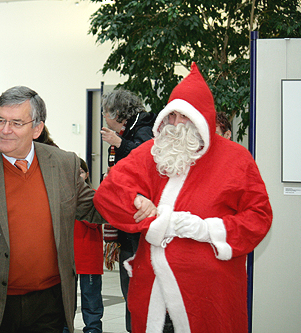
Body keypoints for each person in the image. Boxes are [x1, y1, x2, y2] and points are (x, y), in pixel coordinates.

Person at [93, 63, 273, 333]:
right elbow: (109, 193)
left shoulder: (236, 159)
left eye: (184, 116)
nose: (176, 124)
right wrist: (141, 207)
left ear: (202, 118)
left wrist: (207, 230)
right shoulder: (152, 153)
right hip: (154, 290)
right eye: (172, 115)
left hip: (210, 294)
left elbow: (259, 217)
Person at [0, 86, 104, 333]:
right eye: (0, 120)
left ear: (37, 128)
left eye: (16, 123)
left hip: (50, 303)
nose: (4, 130)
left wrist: (134, 197)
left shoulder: (62, 163)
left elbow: (93, 207)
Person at [100, 88, 156, 332]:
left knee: (135, 281)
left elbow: (146, 158)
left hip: (139, 220)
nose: (104, 117)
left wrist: (117, 142)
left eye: (105, 112)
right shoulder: (131, 129)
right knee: (129, 282)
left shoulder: (145, 127)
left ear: (117, 113)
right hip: (128, 218)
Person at [63, 158, 104, 333]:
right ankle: (65, 328)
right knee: (66, 300)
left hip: (88, 257)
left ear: (86, 174)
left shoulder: (94, 196)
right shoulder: (63, 198)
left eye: (80, 172)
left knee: (91, 298)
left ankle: (93, 329)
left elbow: (94, 222)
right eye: (74, 173)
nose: (77, 176)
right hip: (67, 258)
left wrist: (80, 204)